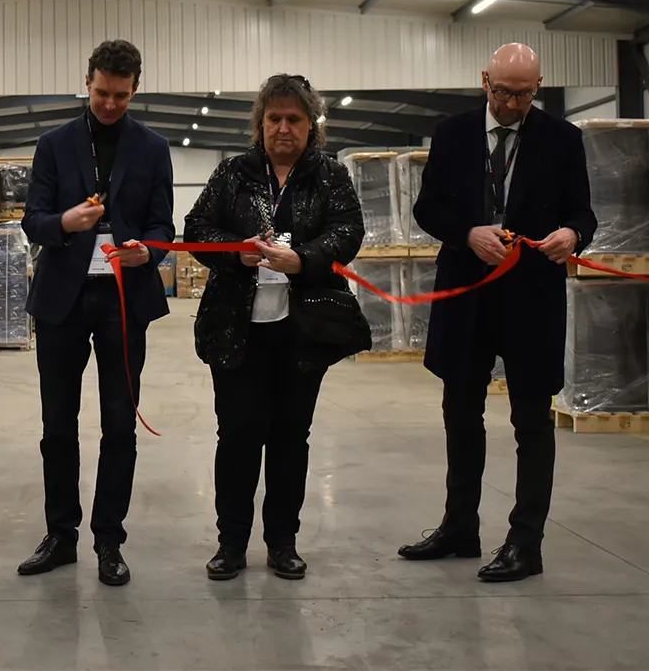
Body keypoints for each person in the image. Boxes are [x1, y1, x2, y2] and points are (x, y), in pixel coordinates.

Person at [399, 43, 596, 582]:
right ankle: (460, 527)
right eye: (503, 92)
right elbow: (428, 208)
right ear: (485, 79)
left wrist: (571, 234)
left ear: (538, 87)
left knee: (532, 421)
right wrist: (467, 233)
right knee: (460, 414)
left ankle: (525, 543)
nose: (513, 104)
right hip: (467, 293)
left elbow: (583, 211)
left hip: (531, 299)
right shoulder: (453, 134)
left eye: (525, 94)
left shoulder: (562, 139)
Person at [183, 74, 367, 582]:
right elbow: (197, 229)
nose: (283, 129)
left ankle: (283, 543)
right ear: (260, 124)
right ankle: (231, 544)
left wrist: (302, 259)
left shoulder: (328, 177)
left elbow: (349, 231)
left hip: (301, 333)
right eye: (274, 119)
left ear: (311, 126)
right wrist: (235, 252)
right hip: (237, 332)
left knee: (291, 439)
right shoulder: (233, 174)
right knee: (237, 437)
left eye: (295, 120)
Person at [16, 39, 174, 587]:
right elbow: (32, 221)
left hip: (124, 300)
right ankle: (61, 535)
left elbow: (162, 226)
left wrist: (147, 252)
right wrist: (66, 223)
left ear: (136, 89)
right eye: (103, 93)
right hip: (62, 297)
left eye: (122, 97)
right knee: (57, 424)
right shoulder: (54, 144)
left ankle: (109, 538)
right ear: (88, 82)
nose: (110, 104)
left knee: (118, 425)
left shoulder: (153, 148)